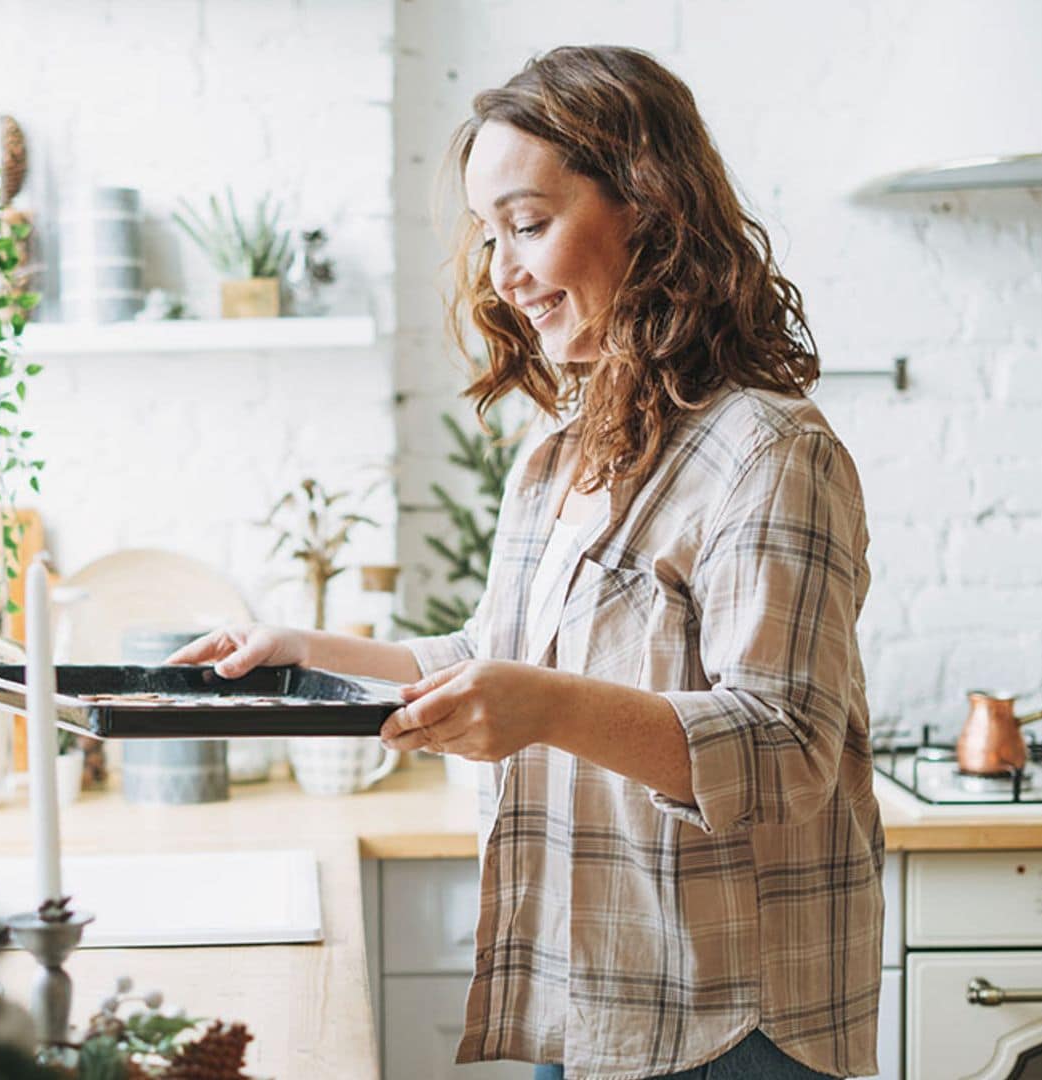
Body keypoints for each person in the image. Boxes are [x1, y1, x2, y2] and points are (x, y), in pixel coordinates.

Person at [169, 45, 881, 1080]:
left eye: (530, 223)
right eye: (491, 233)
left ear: (650, 206)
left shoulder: (771, 451)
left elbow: (785, 751)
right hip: (592, 993)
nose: (502, 272)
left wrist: (544, 707)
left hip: (733, 1018)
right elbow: (494, 656)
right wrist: (306, 651)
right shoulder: (559, 453)